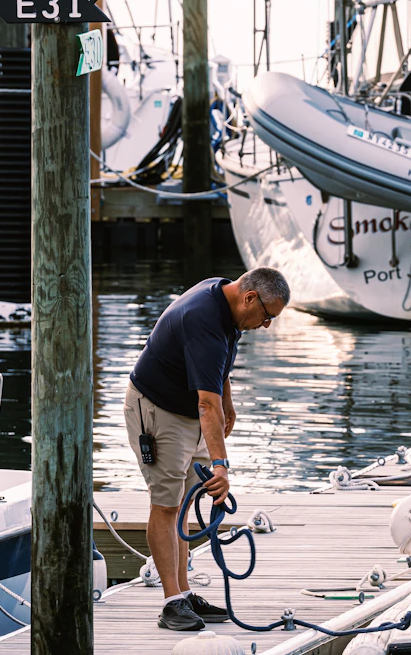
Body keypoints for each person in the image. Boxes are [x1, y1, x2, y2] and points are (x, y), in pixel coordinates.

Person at [124, 267, 290, 631]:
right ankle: (171, 603)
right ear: (250, 298)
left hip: (190, 411)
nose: (266, 326)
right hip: (157, 410)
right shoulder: (204, 318)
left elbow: (217, 365)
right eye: (267, 316)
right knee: (167, 506)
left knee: (184, 506)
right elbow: (206, 406)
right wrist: (221, 466)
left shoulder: (226, 298)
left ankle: (184, 593)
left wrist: (227, 399)